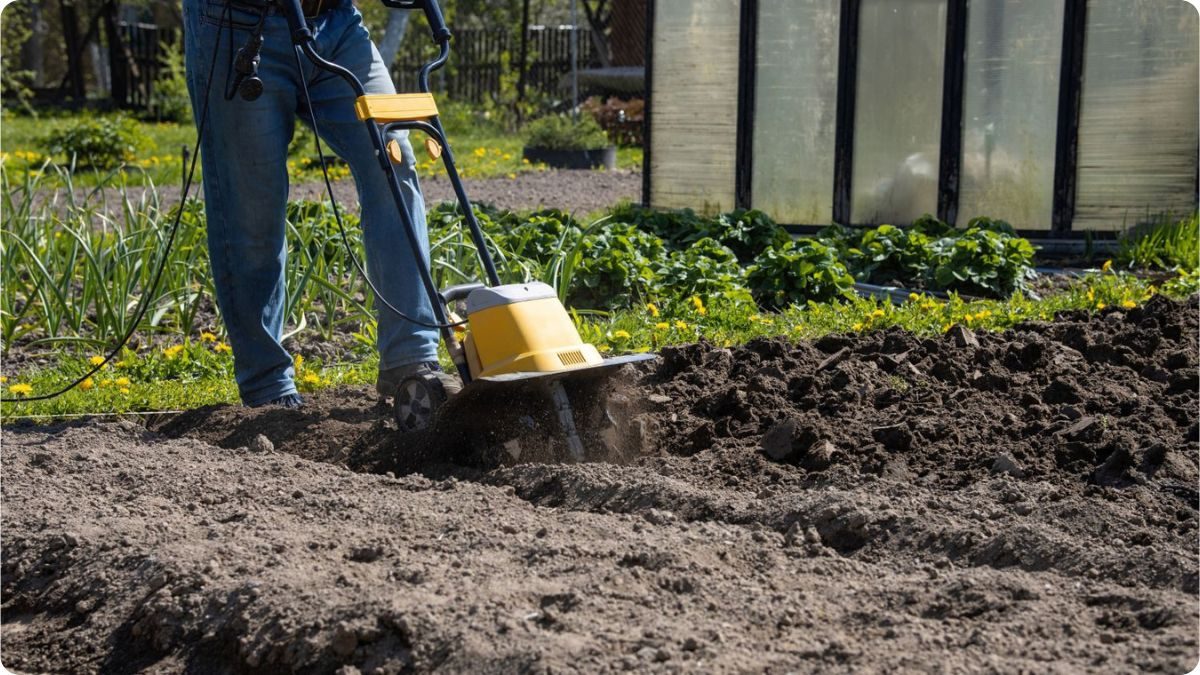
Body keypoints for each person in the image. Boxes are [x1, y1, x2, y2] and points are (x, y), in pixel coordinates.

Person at [183, 0, 459, 407]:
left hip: (337, 23)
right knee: (252, 208)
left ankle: (411, 360)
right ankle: (268, 387)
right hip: (239, 24)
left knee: (392, 158)